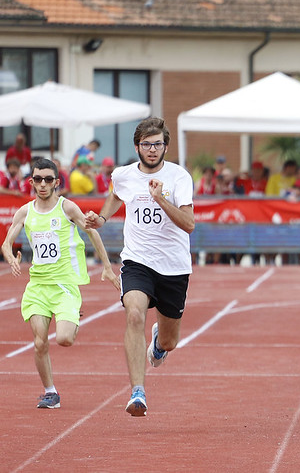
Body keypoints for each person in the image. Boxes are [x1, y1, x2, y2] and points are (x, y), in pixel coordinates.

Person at [84, 117, 195, 416]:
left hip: (173, 266)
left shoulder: (179, 177)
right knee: (133, 313)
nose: (152, 149)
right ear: (137, 147)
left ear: (165, 146)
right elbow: (115, 196)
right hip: (138, 260)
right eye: (146, 144)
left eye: (157, 144)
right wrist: (103, 219)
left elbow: (189, 224)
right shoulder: (123, 175)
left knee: (171, 341)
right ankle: (137, 392)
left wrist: (160, 200)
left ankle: (159, 343)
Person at [1, 158, 119, 409]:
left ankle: (72, 314)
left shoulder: (67, 208)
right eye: (37, 180)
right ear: (31, 182)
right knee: (40, 341)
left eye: (48, 179)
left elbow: (92, 232)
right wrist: (11, 258)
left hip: (64, 284)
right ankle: (50, 392)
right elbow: (6, 242)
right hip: (37, 287)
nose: (42, 184)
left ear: (56, 182)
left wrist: (108, 268)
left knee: (64, 339)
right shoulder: (25, 211)